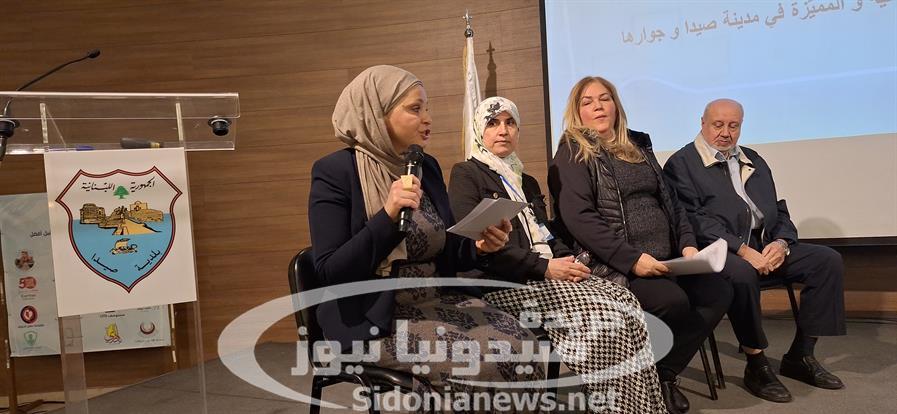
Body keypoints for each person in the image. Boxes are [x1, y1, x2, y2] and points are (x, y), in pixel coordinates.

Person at [308, 65, 543, 412]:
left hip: (435, 300)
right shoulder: (335, 172)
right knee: (478, 363)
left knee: (522, 345)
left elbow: (445, 247)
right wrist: (387, 216)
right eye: (415, 109)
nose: (428, 119)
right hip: (373, 317)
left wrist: (480, 247)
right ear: (377, 114)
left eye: (427, 108)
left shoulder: (424, 166)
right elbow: (330, 272)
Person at [448, 96, 667, 413]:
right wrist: (545, 268)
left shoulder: (526, 180)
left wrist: (570, 259)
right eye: (493, 123)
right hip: (503, 281)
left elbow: (546, 232)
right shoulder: (468, 173)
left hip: (545, 274)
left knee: (624, 301)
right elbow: (475, 244)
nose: (503, 130)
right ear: (479, 130)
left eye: (510, 123)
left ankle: (645, 407)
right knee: (601, 314)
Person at [548, 76, 733, 414]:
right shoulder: (573, 152)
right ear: (577, 112)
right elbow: (580, 219)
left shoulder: (638, 146)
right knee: (671, 302)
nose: (598, 106)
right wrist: (632, 260)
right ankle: (639, 376)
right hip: (614, 265)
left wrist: (688, 245)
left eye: (605, 98)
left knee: (718, 291)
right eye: (587, 102)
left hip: (669, 259)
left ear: (616, 105)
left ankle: (663, 373)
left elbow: (671, 202)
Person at [663, 98, 846, 403]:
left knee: (827, 260)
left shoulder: (754, 160)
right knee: (742, 273)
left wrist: (781, 243)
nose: (725, 132)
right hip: (719, 253)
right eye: (718, 125)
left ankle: (801, 355)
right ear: (702, 123)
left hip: (763, 248)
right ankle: (756, 363)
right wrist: (743, 250)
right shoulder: (681, 164)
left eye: (733, 126)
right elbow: (693, 220)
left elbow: (777, 210)